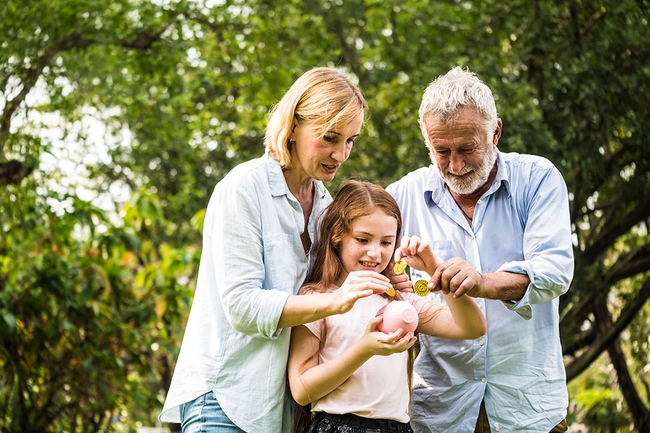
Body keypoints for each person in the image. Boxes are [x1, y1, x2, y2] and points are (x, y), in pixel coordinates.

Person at [159, 67, 398, 433]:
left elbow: (338, 281)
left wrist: (404, 283)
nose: (341, 154)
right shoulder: (243, 188)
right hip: (227, 398)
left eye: (351, 140)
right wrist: (334, 302)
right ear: (294, 126)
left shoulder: (324, 205)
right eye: (330, 137)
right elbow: (241, 305)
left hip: (282, 411)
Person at [387, 66, 575, 433]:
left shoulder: (537, 178)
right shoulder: (401, 197)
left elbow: (554, 271)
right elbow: (398, 287)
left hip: (529, 409)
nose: (455, 165)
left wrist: (482, 283)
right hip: (442, 411)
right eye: (441, 151)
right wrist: (425, 285)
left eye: (467, 148)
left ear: (496, 133)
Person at [287, 180, 487, 433]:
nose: (374, 253)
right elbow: (302, 390)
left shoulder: (399, 299)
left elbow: (471, 328)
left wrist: (435, 268)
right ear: (337, 236)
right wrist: (365, 349)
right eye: (362, 239)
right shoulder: (317, 298)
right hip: (338, 426)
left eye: (386, 242)